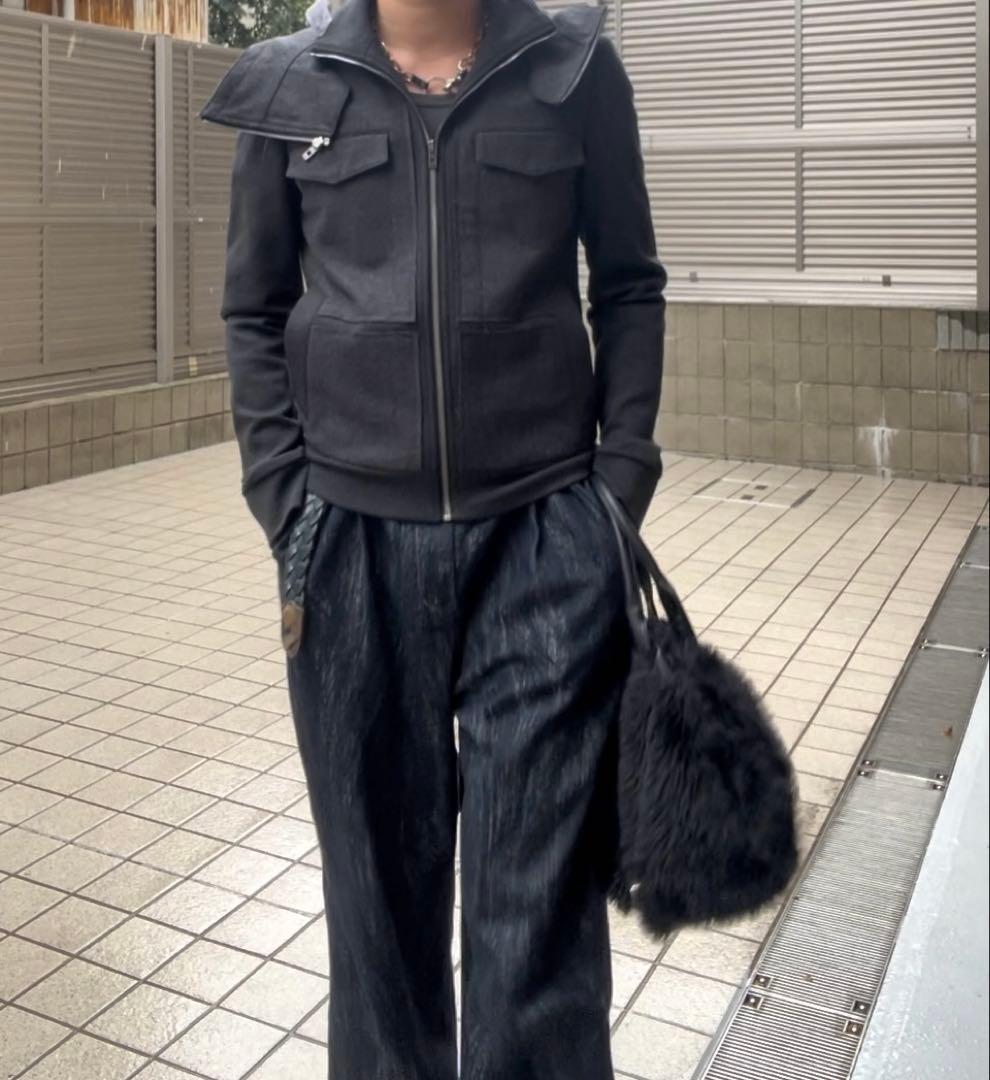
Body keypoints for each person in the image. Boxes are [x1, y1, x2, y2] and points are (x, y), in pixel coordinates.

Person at [200, 0, 666, 1074]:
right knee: (377, 917)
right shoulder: (289, 86)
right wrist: (285, 499)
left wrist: (618, 487)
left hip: (543, 545)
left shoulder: (574, 72)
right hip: (349, 554)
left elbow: (630, 285)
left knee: (539, 913)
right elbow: (252, 309)